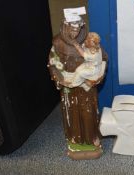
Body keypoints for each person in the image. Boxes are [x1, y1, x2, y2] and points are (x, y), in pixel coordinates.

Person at [48, 16, 108, 160]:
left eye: (77, 29)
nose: (74, 33)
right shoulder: (57, 43)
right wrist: (60, 78)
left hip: (87, 86)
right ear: (65, 27)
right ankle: (75, 139)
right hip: (69, 86)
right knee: (71, 113)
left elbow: (103, 59)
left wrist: (97, 78)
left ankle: (91, 138)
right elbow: (53, 63)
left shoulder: (90, 42)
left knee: (89, 113)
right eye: (71, 29)